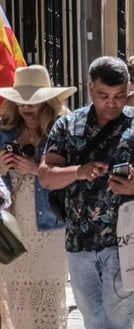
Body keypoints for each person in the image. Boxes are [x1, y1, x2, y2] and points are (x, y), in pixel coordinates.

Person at [38, 56, 134, 329]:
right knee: (93, 321)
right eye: (103, 95)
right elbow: (46, 177)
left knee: (117, 322)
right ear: (90, 90)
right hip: (78, 243)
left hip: (125, 242)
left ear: (128, 90)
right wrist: (78, 171)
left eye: (119, 95)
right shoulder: (68, 127)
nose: (112, 103)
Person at [0, 65, 76, 329]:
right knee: (17, 304)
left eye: (33, 101)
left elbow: (74, 177)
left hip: (49, 230)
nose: (26, 108)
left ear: (47, 100)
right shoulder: (5, 132)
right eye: (21, 102)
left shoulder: (63, 130)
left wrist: (37, 169)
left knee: (48, 308)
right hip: (12, 229)